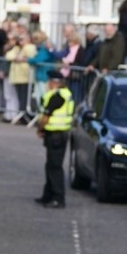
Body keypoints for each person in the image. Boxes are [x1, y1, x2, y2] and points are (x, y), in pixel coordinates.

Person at [36, 72, 73, 209]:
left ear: (53, 82)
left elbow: (46, 116)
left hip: (56, 135)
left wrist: (40, 129)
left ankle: (58, 198)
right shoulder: (66, 93)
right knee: (51, 165)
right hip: (59, 134)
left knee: (54, 167)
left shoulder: (57, 96)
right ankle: (48, 195)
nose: (48, 84)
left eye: (49, 81)